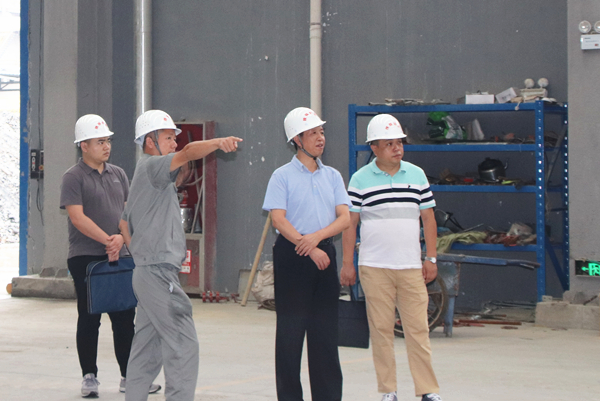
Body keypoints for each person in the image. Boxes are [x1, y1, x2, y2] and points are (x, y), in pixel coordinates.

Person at [121, 110, 242, 401]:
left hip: (147, 272)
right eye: (168, 137)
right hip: (157, 273)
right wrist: (218, 142)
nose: (175, 143)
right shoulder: (152, 166)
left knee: (146, 351)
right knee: (183, 345)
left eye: (175, 138)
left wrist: (140, 255)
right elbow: (188, 153)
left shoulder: (150, 178)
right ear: (150, 141)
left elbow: (123, 222)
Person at [340, 114, 442, 401]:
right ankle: (389, 391)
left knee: (418, 330)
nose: (397, 148)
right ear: (374, 148)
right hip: (374, 267)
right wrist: (347, 264)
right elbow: (350, 223)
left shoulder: (417, 175)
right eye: (389, 144)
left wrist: (431, 258)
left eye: (399, 142)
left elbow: (428, 218)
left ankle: (428, 390)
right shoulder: (360, 180)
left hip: (410, 267)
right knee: (381, 330)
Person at [60, 114, 161, 397]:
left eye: (108, 141)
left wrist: (120, 238)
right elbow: (77, 217)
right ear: (84, 146)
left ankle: (130, 376)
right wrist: (107, 240)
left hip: (119, 254)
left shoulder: (118, 174)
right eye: (100, 142)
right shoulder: (73, 177)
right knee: (89, 316)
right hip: (86, 257)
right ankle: (89, 377)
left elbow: (128, 213)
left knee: (124, 316)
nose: (106, 146)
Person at [262, 107, 351, 401]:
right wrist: (308, 245)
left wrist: (317, 239)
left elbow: (344, 218)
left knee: (325, 333)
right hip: (292, 255)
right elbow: (278, 219)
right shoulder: (281, 176)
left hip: (324, 253)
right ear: (297, 140)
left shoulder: (333, 176)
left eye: (321, 132)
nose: (320, 138)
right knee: (290, 333)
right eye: (313, 133)